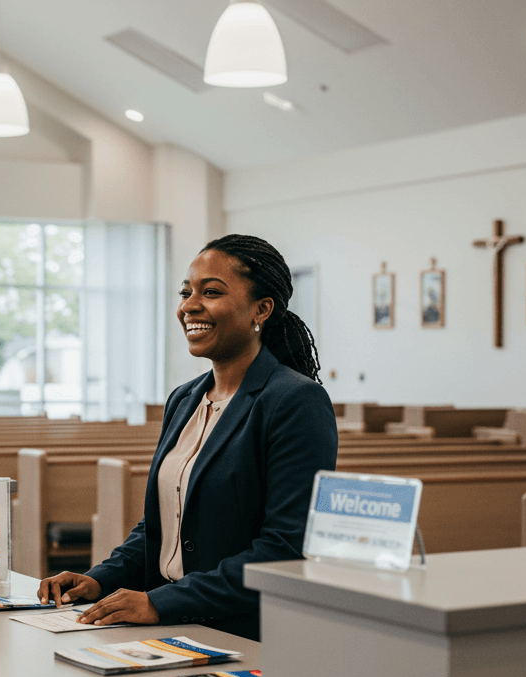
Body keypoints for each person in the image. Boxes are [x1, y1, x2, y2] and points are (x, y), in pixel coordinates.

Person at [38, 234, 338, 641]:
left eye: (211, 292)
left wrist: (162, 602)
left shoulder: (295, 401)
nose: (189, 306)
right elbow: (161, 527)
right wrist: (99, 579)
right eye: (186, 292)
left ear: (261, 309)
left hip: (242, 632)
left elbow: (284, 548)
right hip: (172, 625)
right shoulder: (185, 399)